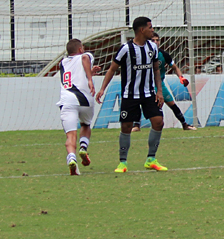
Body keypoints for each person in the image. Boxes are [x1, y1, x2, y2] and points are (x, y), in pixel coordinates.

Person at [96, 16, 167, 173]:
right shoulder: (126, 49)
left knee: (158, 122)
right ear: (142, 30)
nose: (153, 30)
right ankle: (123, 162)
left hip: (149, 93)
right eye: (150, 27)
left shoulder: (152, 47)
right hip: (130, 95)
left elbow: (156, 69)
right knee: (126, 126)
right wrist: (102, 89)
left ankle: (151, 159)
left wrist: (159, 91)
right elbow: (112, 69)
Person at [57, 38, 101, 175]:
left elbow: (74, 76)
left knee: (71, 135)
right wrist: (90, 78)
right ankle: (83, 147)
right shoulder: (85, 55)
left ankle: (72, 158)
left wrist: (89, 73)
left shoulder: (62, 62)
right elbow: (84, 59)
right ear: (81, 49)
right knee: (86, 125)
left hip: (67, 101)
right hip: (85, 100)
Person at [152, 32, 197, 131]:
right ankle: (136, 125)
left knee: (172, 104)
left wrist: (181, 77)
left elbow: (175, 67)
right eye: (152, 40)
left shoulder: (163, 54)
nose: (155, 42)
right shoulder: (144, 54)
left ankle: (184, 124)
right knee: (141, 103)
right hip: (146, 85)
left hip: (160, 85)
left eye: (157, 40)